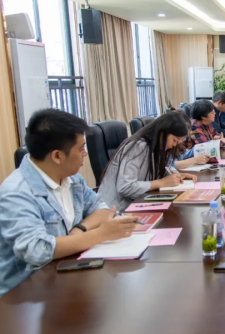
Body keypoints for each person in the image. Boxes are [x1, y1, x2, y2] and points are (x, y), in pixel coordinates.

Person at [0, 109, 138, 297]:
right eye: (81, 148)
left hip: (66, 276)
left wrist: (80, 229)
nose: (85, 154)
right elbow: (37, 250)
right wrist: (100, 234)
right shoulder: (17, 193)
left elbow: (100, 209)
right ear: (57, 156)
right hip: (25, 295)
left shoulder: (72, 180)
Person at [97, 112, 197, 211]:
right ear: (162, 133)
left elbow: (157, 171)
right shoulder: (139, 146)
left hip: (137, 203)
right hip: (114, 210)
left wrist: (176, 176)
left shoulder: (157, 147)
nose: (175, 145)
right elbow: (125, 187)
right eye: (174, 140)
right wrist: (161, 182)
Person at [175, 100, 225, 170]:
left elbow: (216, 135)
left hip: (199, 162)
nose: (215, 113)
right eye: (212, 112)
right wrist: (220, 141)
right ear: (203, 116)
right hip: (188, 163)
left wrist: (218, 139)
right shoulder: (194, 126)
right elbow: (205, 147)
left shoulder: (207, 124)